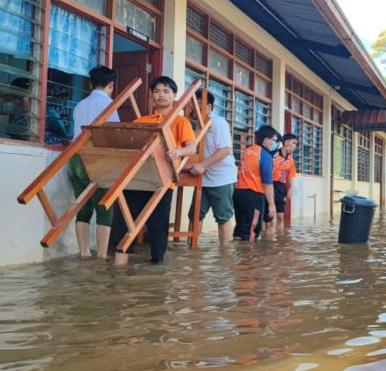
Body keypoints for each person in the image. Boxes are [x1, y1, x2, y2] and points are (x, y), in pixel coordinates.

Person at [110, 77, 197, 266]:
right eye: (157, 91)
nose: (161, 95)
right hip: (137, 178)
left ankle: (158, 266)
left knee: (158, 226)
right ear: (152, 96)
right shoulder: (141, 121)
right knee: (124, 222)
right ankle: (118, 268)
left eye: (166, 91)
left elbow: (192, 147)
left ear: (174, 95)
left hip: (163, 181)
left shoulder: (180, 121)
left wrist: (177, 152)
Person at [67, 65, 119, 258]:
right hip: (98, 157)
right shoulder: (109, 105)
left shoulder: (79, 105)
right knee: (105, 207)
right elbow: (112, 134)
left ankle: (84, 253)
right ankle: (102, 256)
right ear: (111, 85)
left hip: (75, 158)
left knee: (83, 206)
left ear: (90, 83)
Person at [188, 89, 237, 246]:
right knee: (195, 214)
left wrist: (202, 165)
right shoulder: (198, 126)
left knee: (223, 216)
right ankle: (192, 249)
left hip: (221, 178)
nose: (193, 109)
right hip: (203, 178)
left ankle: (225, 252)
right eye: (192, 105)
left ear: (208, 107)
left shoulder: (218, 122)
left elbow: (225, 150)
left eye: (197, 105)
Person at [233, 124, 280, 241]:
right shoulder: (265, 156)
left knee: (239, 231)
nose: (276, 144)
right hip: (253, 196)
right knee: (251, 232)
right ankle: (251, 258)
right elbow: (268, 183)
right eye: (274, 141)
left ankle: (237, 257)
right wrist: (272, 205)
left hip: (238, 194)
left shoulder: (248, 150)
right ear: (266, 140)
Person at [271, 133, 298, 226]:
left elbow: (290, 175)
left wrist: (290, 189)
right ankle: (267, 238)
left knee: (280, 217)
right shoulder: (273, 155)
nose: (295, 146)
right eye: (294, 143)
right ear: (286, 142)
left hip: (281, 187)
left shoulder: (291, 160)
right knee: (269, 217)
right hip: (270, 185)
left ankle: (280, 239)